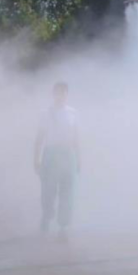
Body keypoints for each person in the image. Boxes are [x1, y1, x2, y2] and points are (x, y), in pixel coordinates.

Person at [34, 81, 81, 241]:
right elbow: (39, 138)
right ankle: (46, 217)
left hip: (68, 154)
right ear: (53, 94)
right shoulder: (45, 113)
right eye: (57, 92)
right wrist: (36, 159)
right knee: (48, 189)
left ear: (67, 95)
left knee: (67, 191)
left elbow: (76, 138)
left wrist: (79, 159)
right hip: (51, 154)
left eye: (63, 92)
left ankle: (63, 226)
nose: (60, 96)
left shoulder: (72, 113)